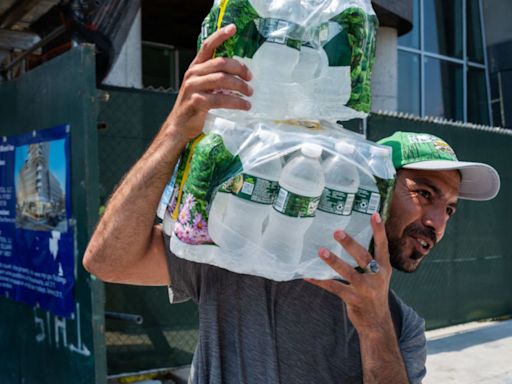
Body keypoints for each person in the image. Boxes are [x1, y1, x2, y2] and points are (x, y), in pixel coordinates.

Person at [83, 25, 500, 383]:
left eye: (449, 208)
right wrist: (175, 130)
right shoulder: (245, 252)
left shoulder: (401, 327)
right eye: (424, 194)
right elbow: (108, 260)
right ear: (375, 186)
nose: (436, 222)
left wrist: (374, 326)